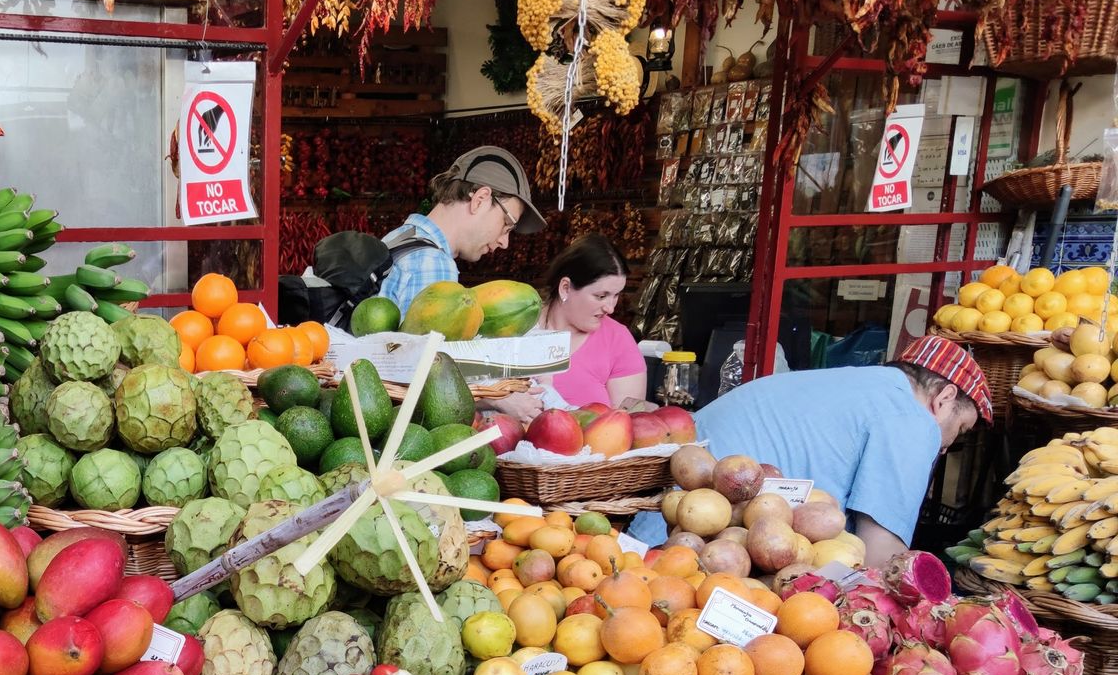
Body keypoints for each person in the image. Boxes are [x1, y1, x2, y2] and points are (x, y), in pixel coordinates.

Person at [629, 335, 991, 568]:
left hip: (652, 528)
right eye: (959, 432)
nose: (945, 449)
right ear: (943, 399)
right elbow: (882, 556)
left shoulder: (851, 382)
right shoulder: (911, 418)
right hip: (704, 548)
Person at [379, 145, 546, 318]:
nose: (505, 242)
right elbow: (431, 345)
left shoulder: (400, 238)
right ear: (480, 200)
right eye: (507, 224)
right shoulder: (433, 263)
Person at [495, 235, 646, 423]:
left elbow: (627, 425)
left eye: (616, 295)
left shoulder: (618, 339)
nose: (611, 308)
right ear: (565, 288)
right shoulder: (515, 328)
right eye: (601, 296)